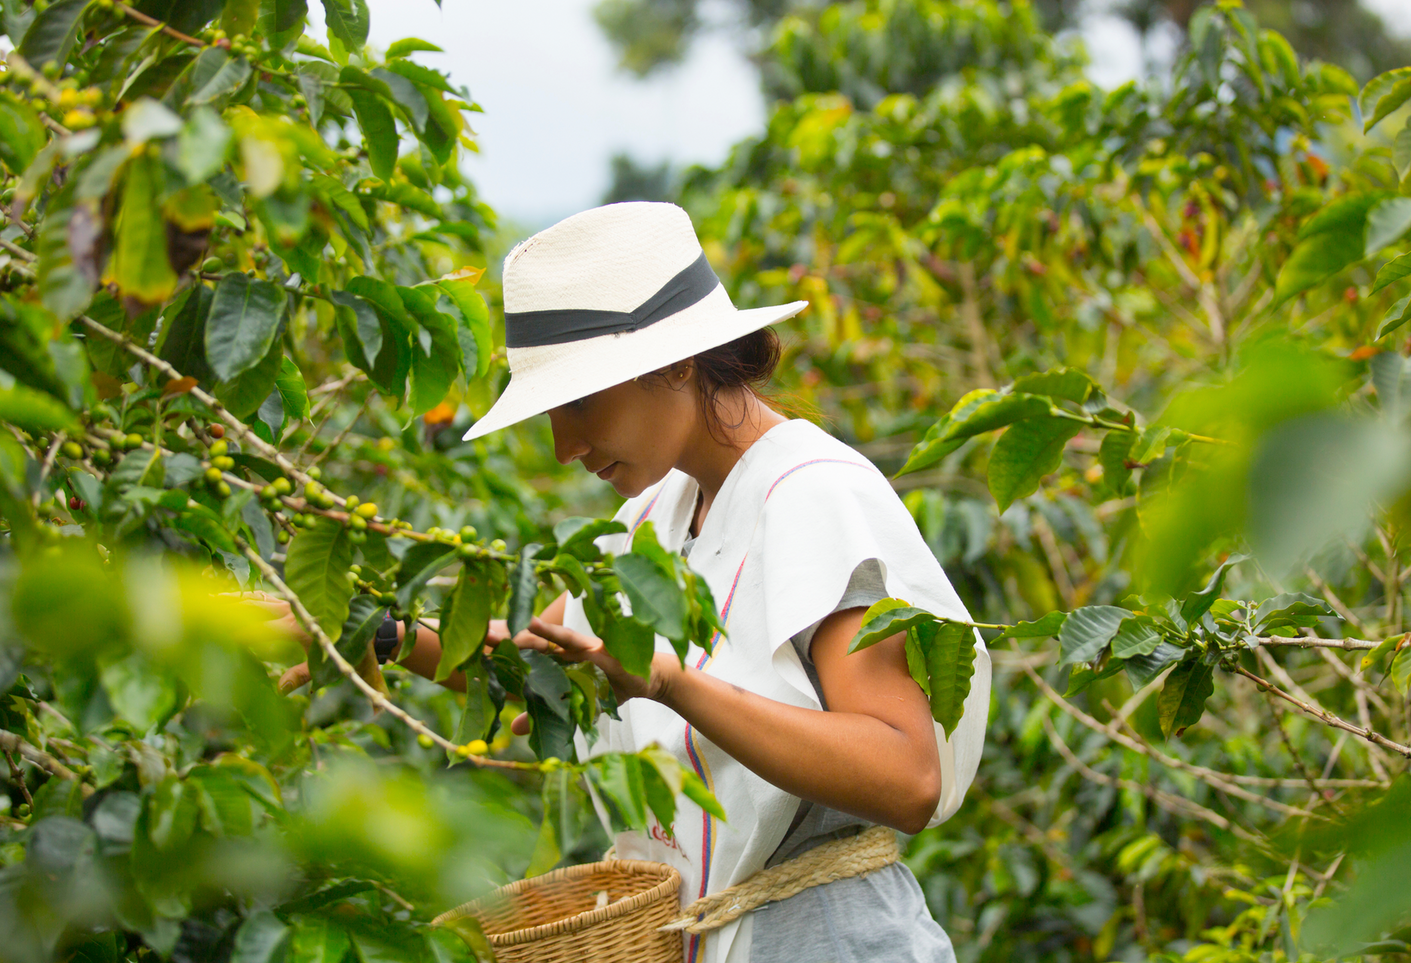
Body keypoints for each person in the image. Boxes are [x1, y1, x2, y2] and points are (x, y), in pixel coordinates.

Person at [273, 202, 991, 963]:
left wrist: (673, 683)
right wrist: (366, 630)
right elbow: (542, 670)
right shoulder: (657, 515)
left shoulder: (815, 496)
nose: (562, 446)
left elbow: (905, 771)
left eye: (578, 402)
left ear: (676, 362)